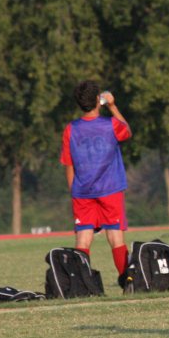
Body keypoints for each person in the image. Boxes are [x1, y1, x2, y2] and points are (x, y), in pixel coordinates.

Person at [60, 81, 132, 277]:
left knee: (83, 240)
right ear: (97, 101)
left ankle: (80, 285)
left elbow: (68, 164)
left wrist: (73, 191)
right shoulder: (111, 124)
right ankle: (128, 282)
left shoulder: (71, 129)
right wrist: (112, 105)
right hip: (111, 189)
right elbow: (127, 130)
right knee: (116, 238)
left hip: (82, 192)